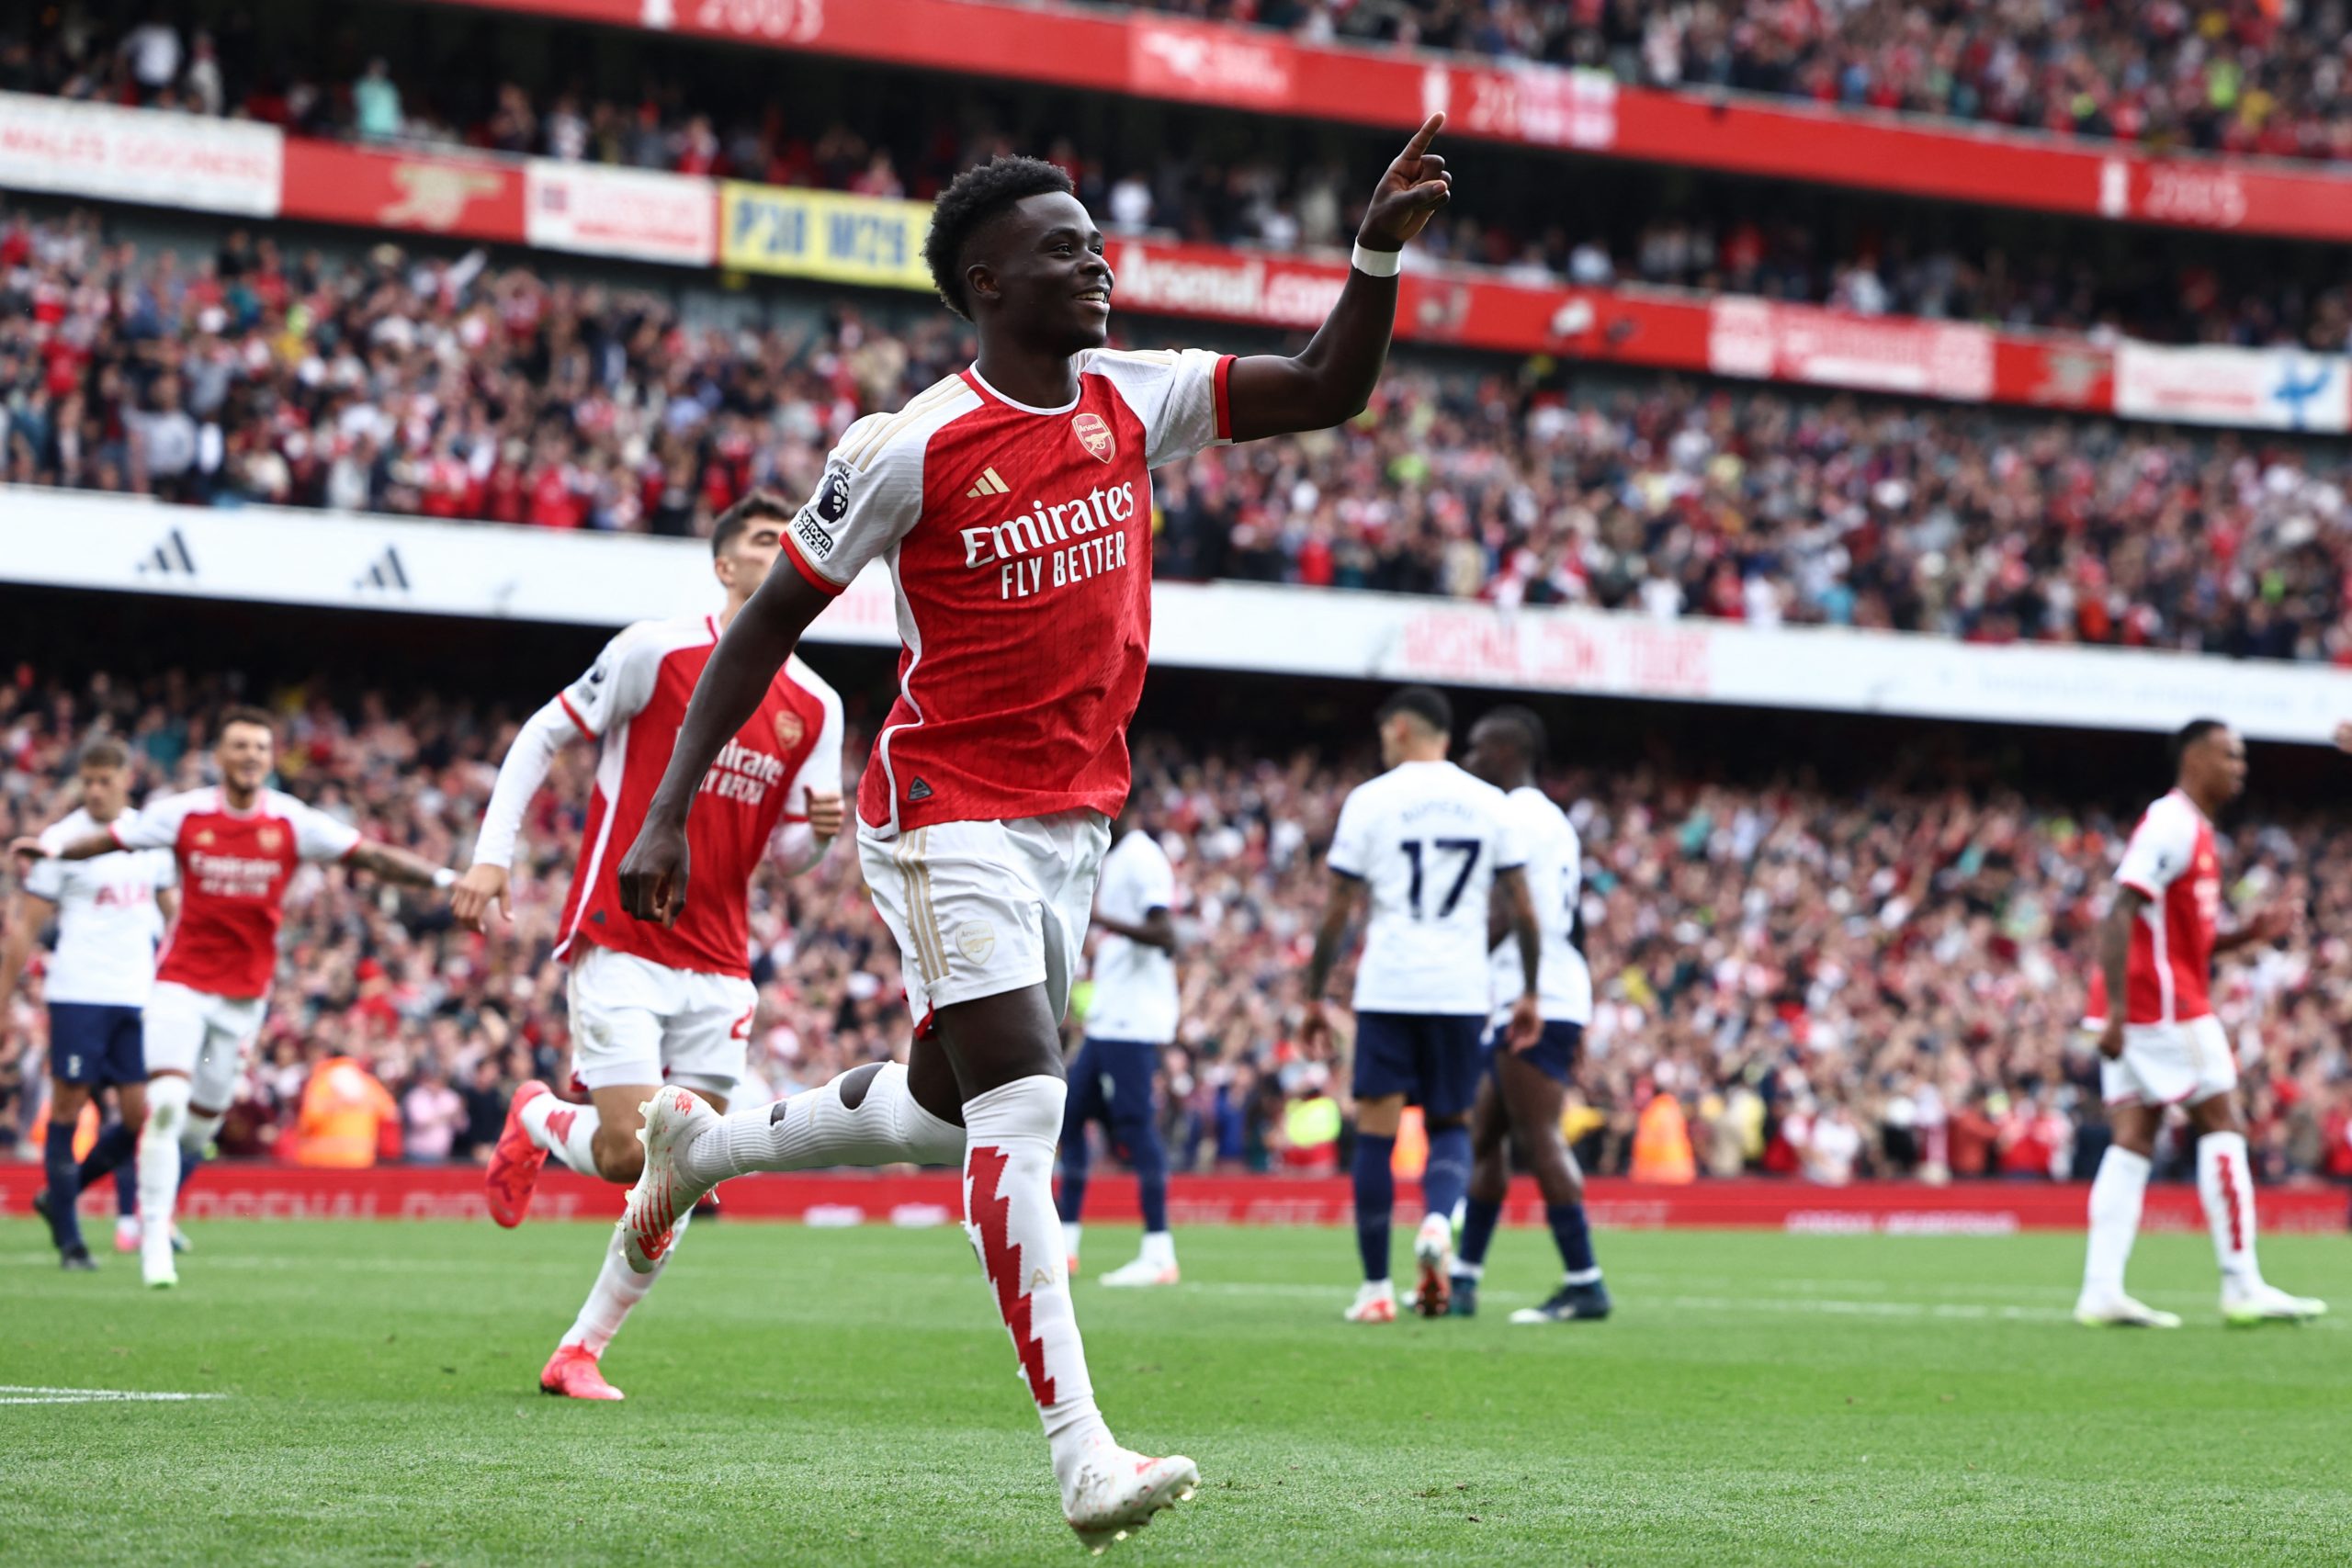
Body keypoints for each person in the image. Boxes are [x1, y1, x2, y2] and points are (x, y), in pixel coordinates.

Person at [607, 121, 1455, 1546]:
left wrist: (1372, 251)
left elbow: (1329, 383)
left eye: (1097, 242)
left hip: (1074, 819)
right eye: (1065, 249)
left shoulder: (1136, 395)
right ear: (989, 283)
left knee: (939, 1109)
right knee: (1025, 1103)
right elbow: (766, 624)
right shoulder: (910, 445)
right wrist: (666, 805)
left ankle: (703, 1148)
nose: (1098, 263)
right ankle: (1083, 1454)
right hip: (944, 806)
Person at [453, 491, 845, 1402]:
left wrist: (817, 837)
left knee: (685, 1169)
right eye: (763, 538)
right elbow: (543, 732)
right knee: (632, 1154)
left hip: (721, 959)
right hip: (622, 936)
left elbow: (784, 854)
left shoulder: (816, 704)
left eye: (791, 536)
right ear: (724, 566)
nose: (781, 547)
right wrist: (492, 854)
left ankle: (579, 1350)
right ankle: (537, 1116)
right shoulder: (653, 650)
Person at [10, 708, 452, 1288]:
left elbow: (369, 855)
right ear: (219, 756)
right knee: (162, 1104)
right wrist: (52, 853)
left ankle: (131, 1206)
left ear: (270, 758)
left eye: (259, 747)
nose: (249, 756)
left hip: (238, 1000)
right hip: (167, 987)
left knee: (195, 1124)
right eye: (238, 746)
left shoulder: (291, 821)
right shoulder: (180, 815)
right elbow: (102, 843)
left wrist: (447, 880)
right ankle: (141, 1236)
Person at [1301, 685, 1542, 1324]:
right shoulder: (1491, 803)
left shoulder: (1371, 800)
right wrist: (1530, 992)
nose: (1383, 742)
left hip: (1390, 985)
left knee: (1376, 1135)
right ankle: (1437, 1221)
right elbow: (1523, 909)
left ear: (1402, 728)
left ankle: (1376, 1287)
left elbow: (1337, 911)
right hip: (1460, 989)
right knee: (1451, 1125)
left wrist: (1315, 996)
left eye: (1385, 732)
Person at [2074, 718, 2326, 1328]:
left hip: (2145, 1000)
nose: (2240, 767)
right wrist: (2118, 1010)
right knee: (2223, 1120)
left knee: (2134, 1135)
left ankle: (2101, 1289)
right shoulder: (2172, 823)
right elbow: (2121, 908)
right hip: (2160, 1004)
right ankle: (2242, 1283)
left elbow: (2190, 940)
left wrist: (2249, 934)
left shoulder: (2198, 832)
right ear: (2193, 758)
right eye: (2229, 755)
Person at [1450, 706, 1609, 1325]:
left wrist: (1454, 963)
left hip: (1529, 995)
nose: (1469, 759)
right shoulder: (1554, 820)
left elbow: (1512, 912)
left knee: (1538, 1135)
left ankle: (1585, 1281)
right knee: (1485, 1136)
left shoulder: (1511, 815)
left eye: (1479, 748)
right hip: (1545, 990)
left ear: (1508, 753)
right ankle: (1461, 1281)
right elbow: (1573, 919)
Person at [2, 739, 177, 1269]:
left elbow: (173, 915)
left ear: (127, 779)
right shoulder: (60, 842)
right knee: (69, 1106)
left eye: (106, 780)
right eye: (89, 781)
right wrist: (4, 999)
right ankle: (71, 1242)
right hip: (79, 992)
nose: (97, 791)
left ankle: (62, 1194)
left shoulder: (150, 839)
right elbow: (26, 928)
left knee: (139, 1115)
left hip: (137, 995)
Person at [1057, 804, 1182, 1286]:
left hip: (1132, 1018)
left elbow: (1165, 933)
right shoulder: (1117, 854)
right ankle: (1064, 1246)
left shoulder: (1141, 855)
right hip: (1110, 1017)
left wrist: (1102, 919)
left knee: (1136, 1124)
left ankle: (1159, 1251)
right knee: (1070, 1115)